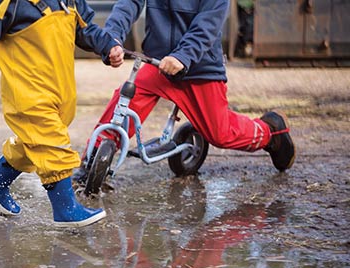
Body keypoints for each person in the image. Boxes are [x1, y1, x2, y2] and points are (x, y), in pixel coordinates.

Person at [0, 0, 123, 227]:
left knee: (34, 142)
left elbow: (86, 29)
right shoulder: (14, 3)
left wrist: (108, 46)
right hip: (27, 92)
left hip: (59, 91)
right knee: (53, 144)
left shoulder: (71, 1)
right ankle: (65, 209)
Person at [74, 0, 295, 185]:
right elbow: (129, 3)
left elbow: (208, 23)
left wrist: (183, 56)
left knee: (221, 133)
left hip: (199, 67)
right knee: (124, 101)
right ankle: (90, 163)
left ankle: (270, 132)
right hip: (157, 62)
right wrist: (112, 38)